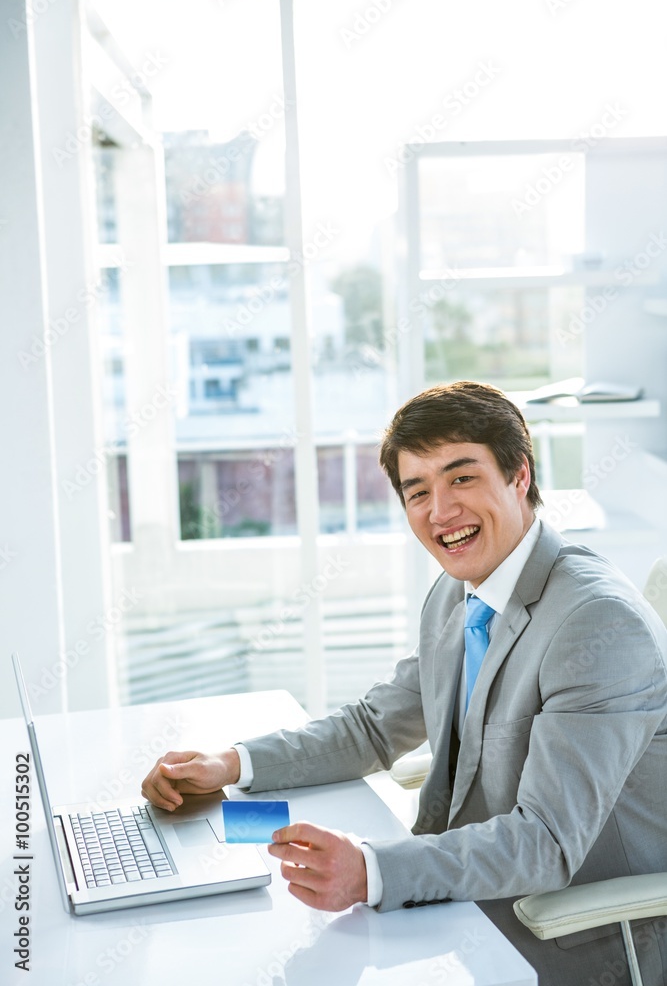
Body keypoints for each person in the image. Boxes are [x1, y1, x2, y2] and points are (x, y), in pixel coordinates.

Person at [142, 381, 667, 986]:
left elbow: (545, 842)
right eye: (418, 491)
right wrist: (229, 763)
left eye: (462, 478)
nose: (440, 511)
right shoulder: (460, 593)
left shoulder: (595, 624)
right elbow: (373, 727)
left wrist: (371, 870)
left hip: (569, 938)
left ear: (519, 475)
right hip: (463, 901)